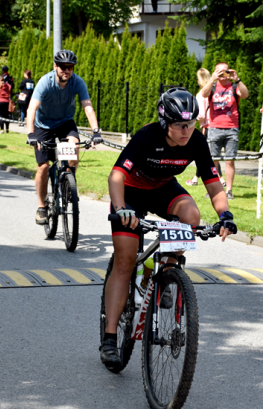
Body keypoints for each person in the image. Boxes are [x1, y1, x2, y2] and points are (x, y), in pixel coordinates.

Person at [99, 88, 237, 368]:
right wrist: (121, 208)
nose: (187, 130)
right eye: (179, 125)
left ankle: (167, 274)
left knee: (191, 214)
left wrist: (225, 214)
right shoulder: (146, 137)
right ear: (165, 123)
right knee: (125, 262)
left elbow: (213, 184)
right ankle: (111, 338)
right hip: (130, 194)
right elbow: (116, 176)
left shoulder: (196, 140)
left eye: (191, 124)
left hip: (162, 189)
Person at [26, 49, 103, 225]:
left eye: (70, 67)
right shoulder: (46, 82)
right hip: (42, 125)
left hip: (65, 123)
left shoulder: (77, 82)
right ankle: (41, 207)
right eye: (62, 67)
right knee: (43, 166)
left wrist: (96, 131)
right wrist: (31, 134)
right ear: (55, 66)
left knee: (74, 146)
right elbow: (32, 108)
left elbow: (88, 107)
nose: (66, 70)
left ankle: (69, 183)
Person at [197, 62, 249, 199]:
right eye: (219, 72)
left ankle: (229, 191)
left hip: (232, 128)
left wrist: (237, 79)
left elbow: (245, 95)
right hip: (214, 128)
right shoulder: (213, 86)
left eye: (225, 71)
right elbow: (203, 94)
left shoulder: (233, 86)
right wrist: (212, 79)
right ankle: (212, 189)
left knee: (230, 160)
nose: (222, 75)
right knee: (212, 160)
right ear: (215, 72)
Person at [186, 67, 225, 187]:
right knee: (213, 154)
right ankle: (215, 178)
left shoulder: (201, 94)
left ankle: (205, 178)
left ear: (200, 79)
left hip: (207, 127)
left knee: (202, 154)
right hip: (218, 125)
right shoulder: (215, 91)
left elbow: (201, 115)